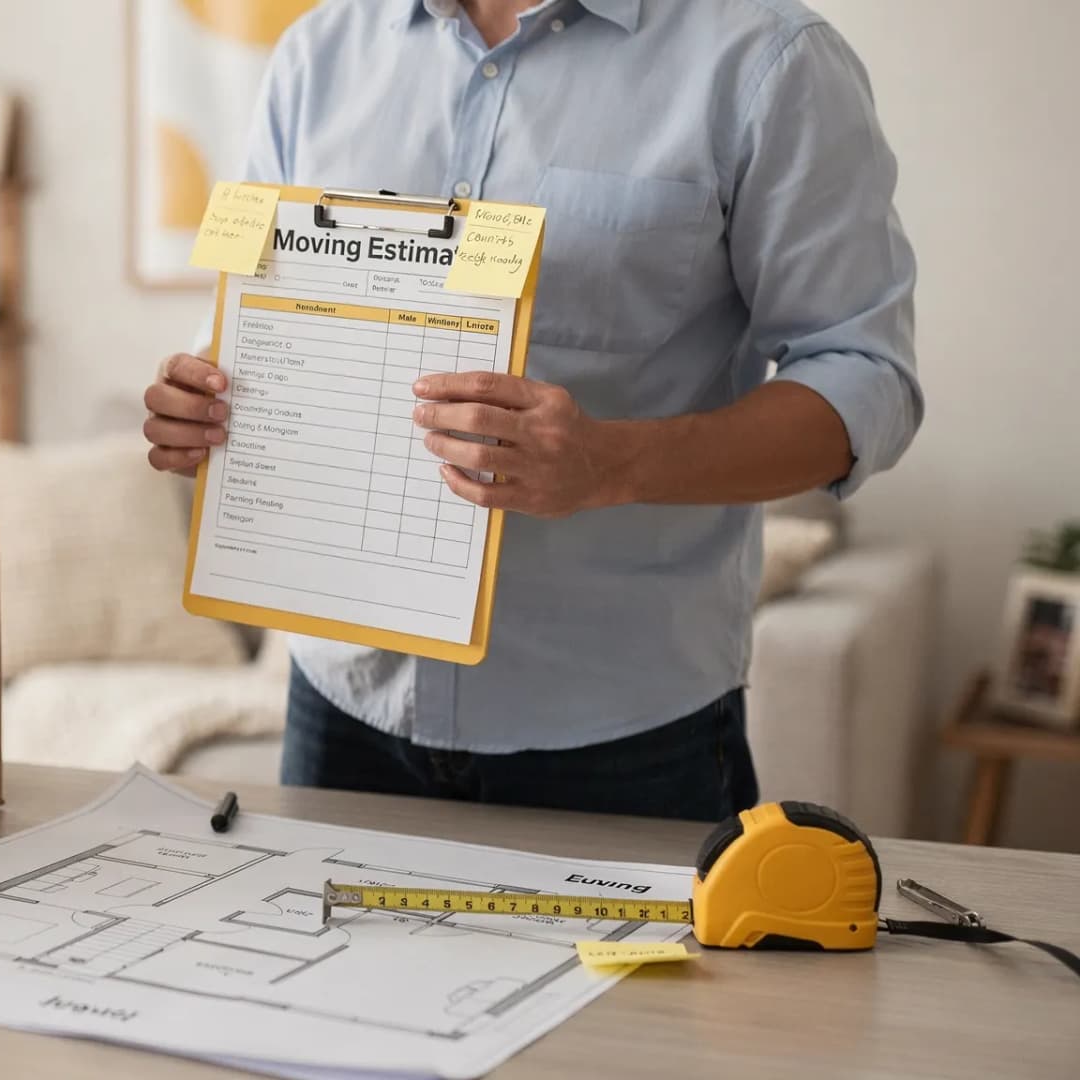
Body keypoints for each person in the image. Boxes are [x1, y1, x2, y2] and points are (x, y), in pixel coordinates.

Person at [141, 0, 921, 822]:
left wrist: (612, 463)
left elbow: (867, 378)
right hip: (341, 710)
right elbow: (251, 308)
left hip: (627, 740)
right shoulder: (317, 51)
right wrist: (202, 399)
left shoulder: (769, 59)